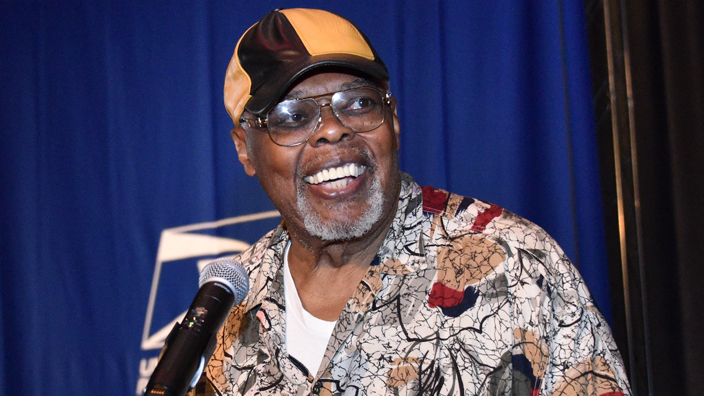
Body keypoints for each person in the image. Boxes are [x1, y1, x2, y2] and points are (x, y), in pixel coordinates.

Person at [194, 8, 631, 396]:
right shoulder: (230, 306)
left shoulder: (514, 264)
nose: (331, 129)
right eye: (292, 116)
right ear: (245, 150)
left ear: (393, 118)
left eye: (359, 102)